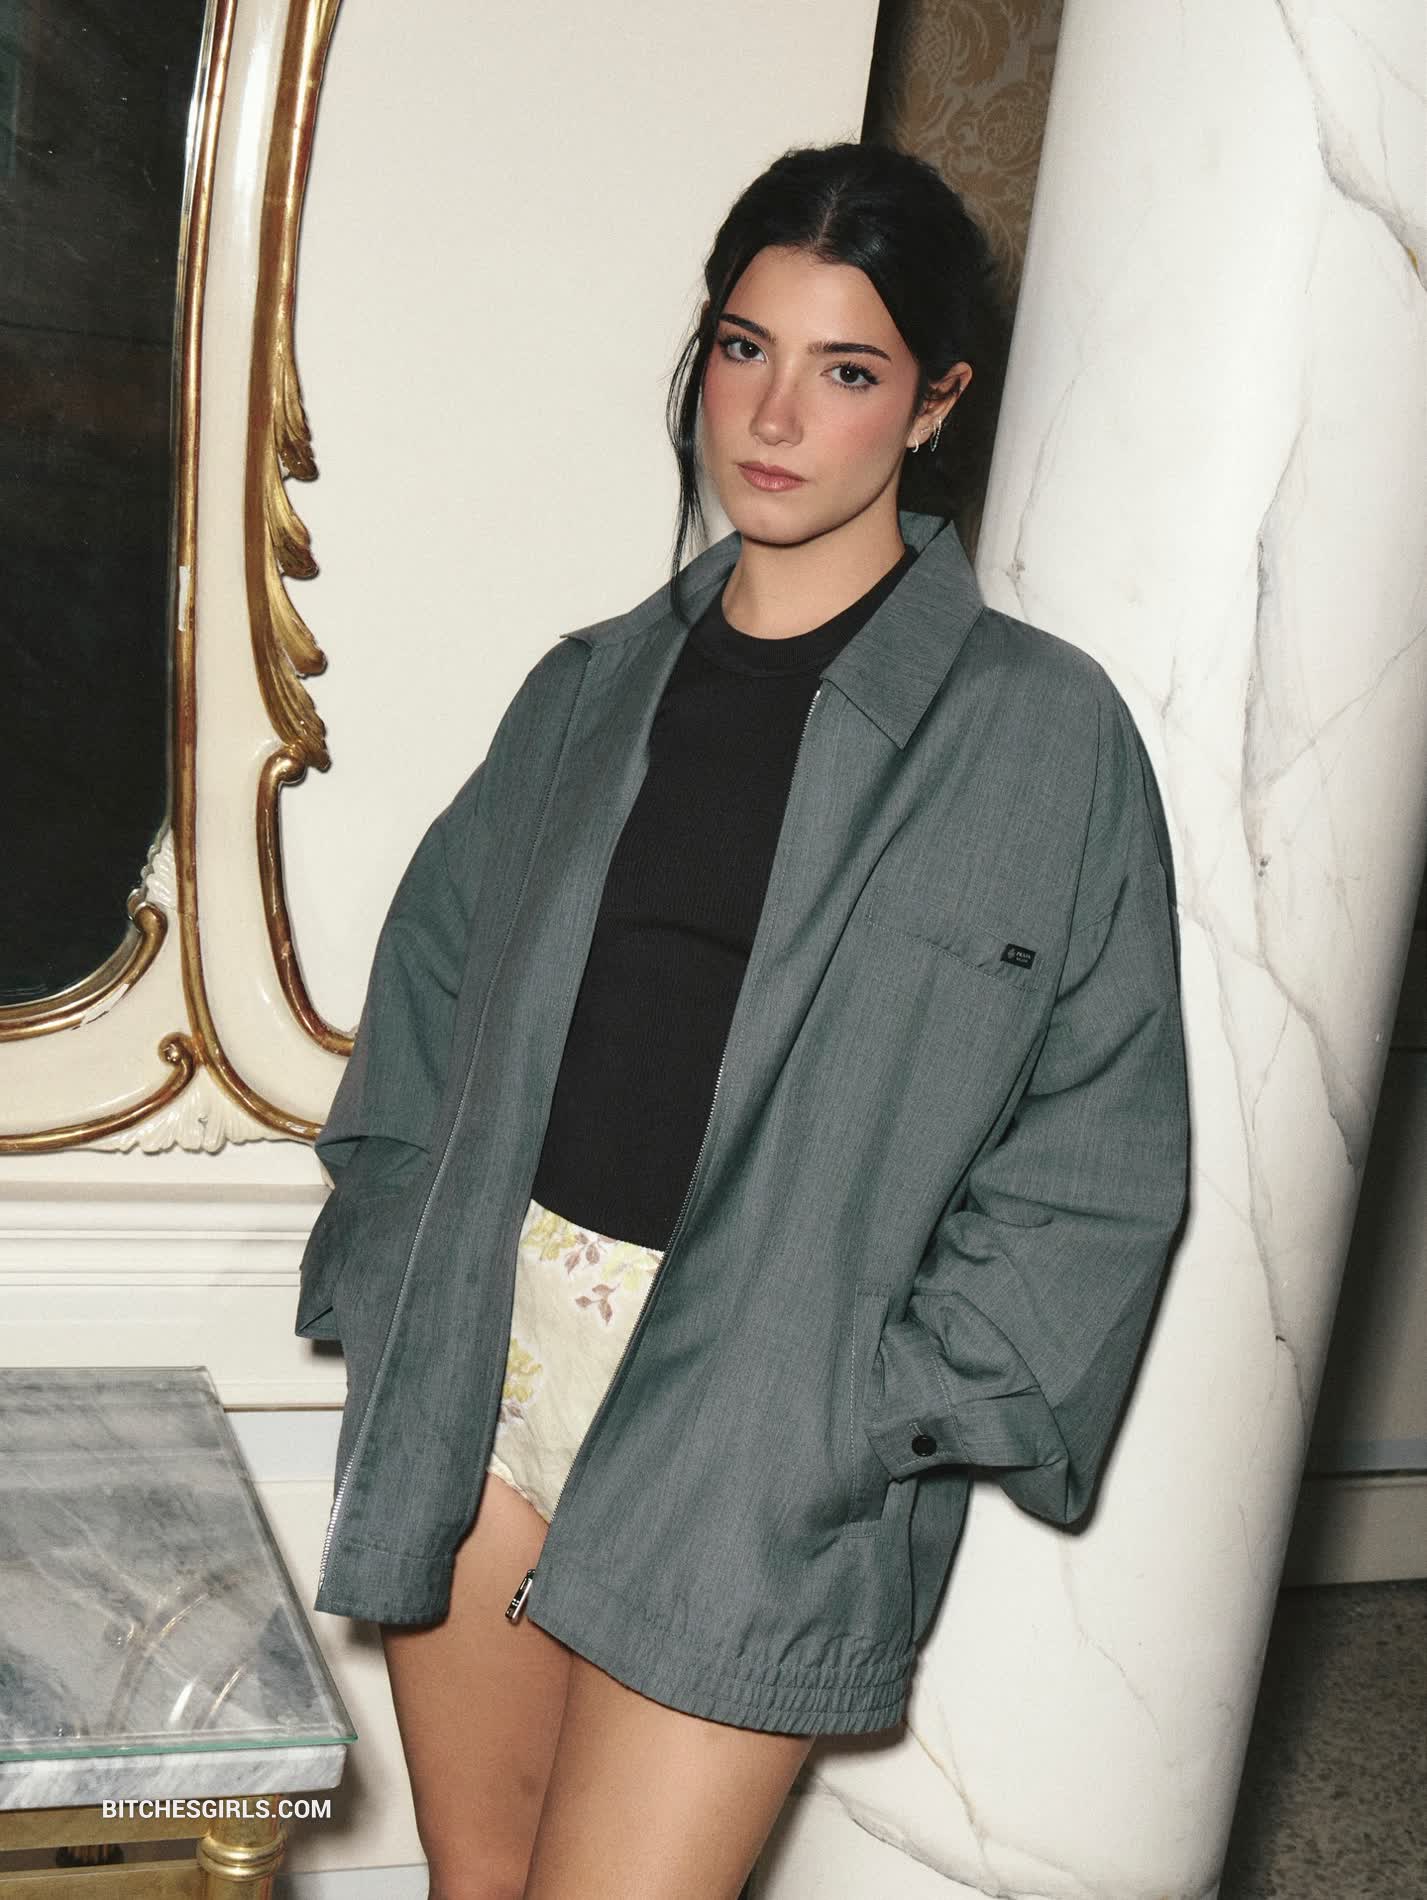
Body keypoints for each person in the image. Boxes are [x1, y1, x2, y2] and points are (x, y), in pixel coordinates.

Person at [297, 140, 1189, 1900]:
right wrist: (400, 1258)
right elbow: (425, 996)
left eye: (848, 370)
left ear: (935, 404)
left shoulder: (1044, 737)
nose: (776, 416)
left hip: (760, 1419)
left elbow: (1099, 1140)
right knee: (478, 1884)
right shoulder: (584, 687)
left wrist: (878, 1407)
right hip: (490, 1357)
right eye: (743, 348)